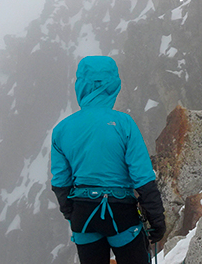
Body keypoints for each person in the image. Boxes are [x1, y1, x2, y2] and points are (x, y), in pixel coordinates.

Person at [51, 56, 166, 264]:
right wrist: (157, 219)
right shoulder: (124, 124)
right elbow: (142, 177)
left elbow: (60, 182)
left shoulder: (61, 130)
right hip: (121, 212)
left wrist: (71, 212)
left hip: (83, 215)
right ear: (113, 85)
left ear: (81, 85)